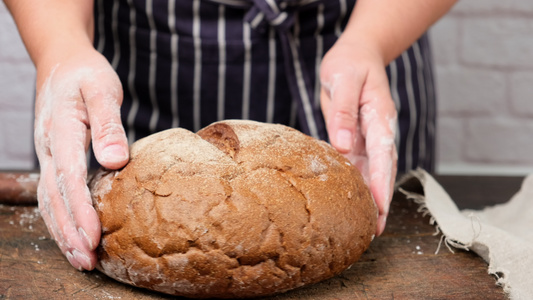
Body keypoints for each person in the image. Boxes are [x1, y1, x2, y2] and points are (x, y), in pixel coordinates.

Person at [4, 0, 456, 271]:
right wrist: (60, 46)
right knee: (116, 217)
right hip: (141, 58)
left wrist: (371, 41)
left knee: (362, 221)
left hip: (361, 45)